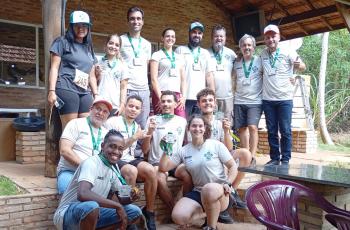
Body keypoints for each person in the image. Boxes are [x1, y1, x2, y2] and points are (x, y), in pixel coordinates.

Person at [159, 115, 238, 230]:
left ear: (205, 128)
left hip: (221, 191)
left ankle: (211, 226)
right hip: (199, 192)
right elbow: (164, 168)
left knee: (209, 189)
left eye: (200, 126)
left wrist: (228, 182)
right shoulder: (184, 150)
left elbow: (233, 166)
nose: (197, 129)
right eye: (194, 126)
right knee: (178, 217)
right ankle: (209, 211)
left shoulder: (216, 145)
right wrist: (166, 148)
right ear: (189, 128)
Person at [53, 129, 142, 230]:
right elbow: (83, 193)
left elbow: (122, 198)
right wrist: (117, 206)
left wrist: (132, 196)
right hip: (67, 215)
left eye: (120, 149)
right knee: (91, 206)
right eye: (112, 146)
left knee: (134, 211)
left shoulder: (113, 167)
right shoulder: (91, 163)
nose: (116, 152)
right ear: (103, 146)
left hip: (93, 214)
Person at [193, 88, 251, 224]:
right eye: (204, 101)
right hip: (205, 155)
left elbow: (229, 148)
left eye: (210, 100)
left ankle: (231, 191)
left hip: (222, 152)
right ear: (198, 104)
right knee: (221, 163)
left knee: (245, 154)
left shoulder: (220, 121)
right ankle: (223, 205)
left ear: (215, 103)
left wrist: (226, 131)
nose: (207, 103)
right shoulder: (196, 122)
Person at [104, 95, 157, 230]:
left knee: (151, 170)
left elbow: (145, 150)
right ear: (125, 106)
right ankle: (124, 213)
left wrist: (149, 133)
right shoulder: (113, 121)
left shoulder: (137, 126)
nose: (133, 109)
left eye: (137, 108)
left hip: (131, 158)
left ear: (140, 111)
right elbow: (111, 148)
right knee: (131, 171)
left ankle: (149, 212)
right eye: (131, 106)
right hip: (115, 158)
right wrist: (134, 137)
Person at [261, 25, 306, 166]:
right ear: (265, 39)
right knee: (271, 130)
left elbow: (302, 66)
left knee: (285, 130)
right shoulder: (262, 54)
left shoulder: (288, 51)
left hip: (285, 99)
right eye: (268, 37)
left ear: (279, 37)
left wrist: (298, 67)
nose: (270, 39)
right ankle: (275, 158)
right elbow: (259, 72)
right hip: (268, 99)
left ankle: (285, 159)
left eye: (273, 36)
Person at [47, 10, 98, 129]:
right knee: (71, 129)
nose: (81, 28)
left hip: (84, 91)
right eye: (77, 25)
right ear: (71, 26)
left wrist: (96, 94)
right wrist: (51, 91)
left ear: (88, 28)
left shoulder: (89, 48)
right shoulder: (62, 42)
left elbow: (91, 75)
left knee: (86, 129)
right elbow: (54, 68)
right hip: (66, 87)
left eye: (84, 25)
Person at [141, 91, 188, 210]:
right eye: (163, 101)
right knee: (159, 178)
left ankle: (187, 207)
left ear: (176, 104)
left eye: (169, 101)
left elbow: (188, 144)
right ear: (160, 104)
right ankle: (175, 210)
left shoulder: (182, 121)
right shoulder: (152, 120)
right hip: (157, 162)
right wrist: (150, 132)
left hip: (175, 162)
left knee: (189, 175)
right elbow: (145, 150)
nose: (166, 104)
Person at [56, 98, 112, 194]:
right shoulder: (76, 123)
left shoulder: (107, 134)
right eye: (98, 109)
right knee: (69, 192)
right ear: (91, 109)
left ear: (107, 116)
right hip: (71, 172)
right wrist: (87, 167)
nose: (101, 113)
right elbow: (65, 150)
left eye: (105, 111)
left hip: (94, 176)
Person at [233, 34, 263, 164]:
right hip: (239, 100)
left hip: (255, 101)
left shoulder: (260, 60)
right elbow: (232, 78)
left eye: (249, 45)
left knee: (252, 127)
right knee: (242, 129)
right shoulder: (236, 62)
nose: (247, 47)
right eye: (244, 45)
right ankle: (245, 156)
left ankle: (252, 156)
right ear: (240, 47)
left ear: (254, 47)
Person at [120, 6, 151, 129]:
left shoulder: (147, 44)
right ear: (128, 21)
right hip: (127, 88)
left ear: (142, 21)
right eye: (132, 19)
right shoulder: (121, 40)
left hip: (143, 90)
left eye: (139, 18)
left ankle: (138, 149)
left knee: (142, 125)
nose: (136, 21)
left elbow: (146, 67)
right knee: (125, 124)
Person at [175, 21, 215, 118]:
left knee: (199, 127)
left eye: (199, 33)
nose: (197, 35)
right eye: (194, 32)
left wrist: (213, 96)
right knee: (184, 126)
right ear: (189, 33)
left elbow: (209, 76)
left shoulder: (205, 53)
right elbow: (176, 75)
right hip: (183, 98)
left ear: (202, 35)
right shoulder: (180, 50)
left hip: (201, 99)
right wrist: (179, 96)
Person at [150, 28, 186, 118]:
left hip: (176, 94)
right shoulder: (157, 55)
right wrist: (160, 98)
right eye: (168, 36)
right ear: (162, 38)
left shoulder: (180, 57)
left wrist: (183, 97)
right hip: (161, 93)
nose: (170, 38)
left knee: (181, 120)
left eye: (173, 36)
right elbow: (153, 79)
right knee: (160, 121)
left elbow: (183, 80)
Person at [208, 25, 236, 121]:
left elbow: (236, 72)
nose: (219, 38)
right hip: (211, 98)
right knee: (214, 124)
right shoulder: (206, 54)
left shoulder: (231, 54)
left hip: (227, 98)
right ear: (212, 37)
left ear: (225, 38)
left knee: (227, 125)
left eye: (221, 36)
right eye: (216, 36)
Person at [96, 34, 128, 116]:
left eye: (117, 45)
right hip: (99, 103)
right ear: (106, 44)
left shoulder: (122, 65)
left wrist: (122, 105)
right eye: (111, 43)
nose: (113, 46)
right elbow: (93, 83)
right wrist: (97, 73)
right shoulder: (98, 62)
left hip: (114, 106)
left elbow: (123, 87)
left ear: (119, 48)